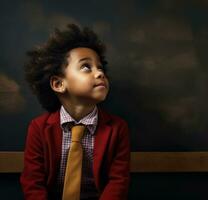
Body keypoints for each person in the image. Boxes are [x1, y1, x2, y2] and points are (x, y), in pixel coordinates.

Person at [20, 24, 130, 200]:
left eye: (100, 68)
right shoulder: (38, 128)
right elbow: (33, 183)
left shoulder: (117, 128)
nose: (100, 73)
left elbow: (118, 181)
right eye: (87, 67)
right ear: (58, 84)